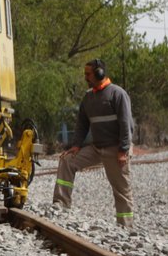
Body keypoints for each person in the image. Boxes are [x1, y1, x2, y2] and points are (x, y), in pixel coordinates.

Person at [52, 59, 134, 225]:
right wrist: (75, 146)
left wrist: (123, 150)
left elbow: (126, 124)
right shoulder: (88, 98)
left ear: (99, 73)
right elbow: (82, 124)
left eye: (88, 74)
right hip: (97, 148)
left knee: (121, 189)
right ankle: (60, 205)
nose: (85, 78)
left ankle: (126, 227)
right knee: (67, 161)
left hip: (115, 149)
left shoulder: (118, 94)